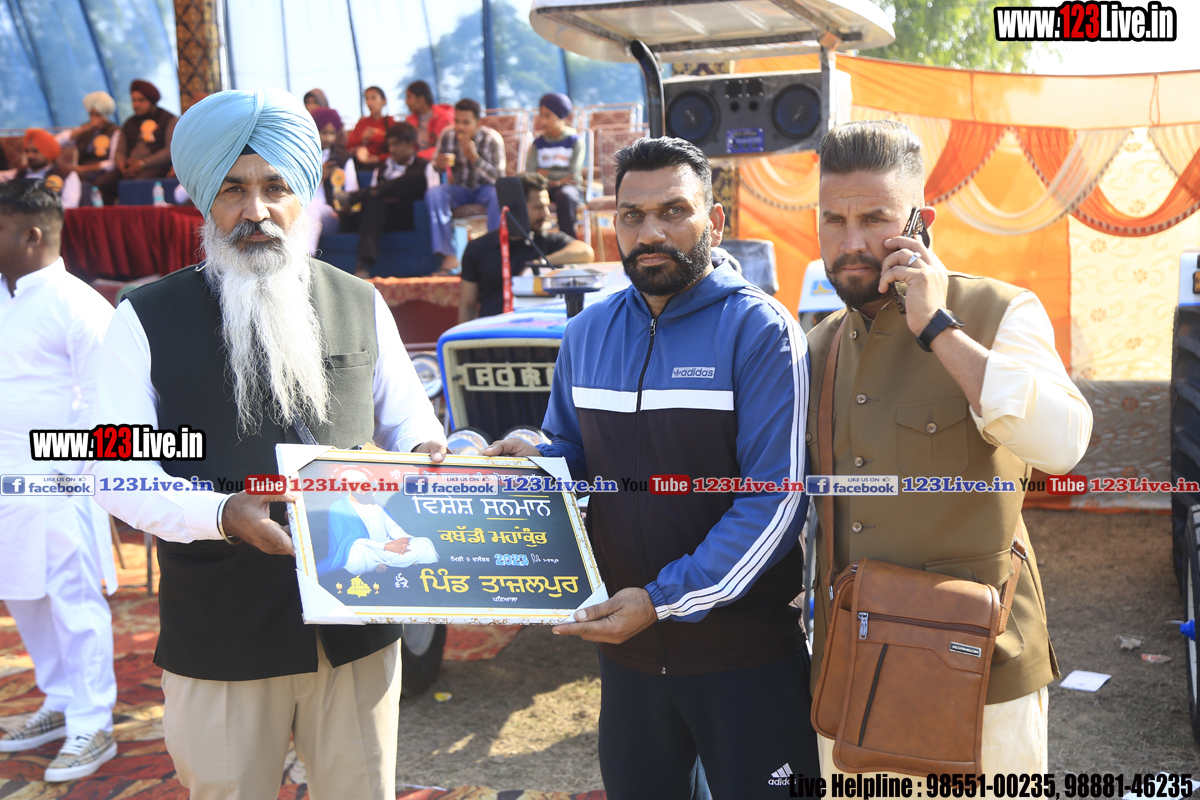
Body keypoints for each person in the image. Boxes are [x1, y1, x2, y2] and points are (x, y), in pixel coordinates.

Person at [87, 88, 448, 800]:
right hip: (223, 627)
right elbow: (113, 470)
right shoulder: (143, 318)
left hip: (357, 621)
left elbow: (412, 426)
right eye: (233, 190)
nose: (255, 211)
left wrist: (429, 457)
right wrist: (222, 514)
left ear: (302, 196)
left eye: (275, 187)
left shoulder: (359, 300)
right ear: (205, 203)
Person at [484, 138, 818, 799]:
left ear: (714, 220)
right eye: (632, 215)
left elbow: (775, 502)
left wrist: (663, 601)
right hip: (629, 660)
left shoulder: (762, 331)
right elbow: (573, 455)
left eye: (673, 211)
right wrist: (532, 455)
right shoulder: (587, 333)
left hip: (745, 658)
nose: (650, 233)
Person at [806, 119, 1093, 774]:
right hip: (855, 674)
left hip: (980, 675)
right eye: (833, 221)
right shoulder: (819, 347)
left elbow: (1063, 445)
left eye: (874, 219)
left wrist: (938, 328)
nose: (851, 244)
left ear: (920, 219)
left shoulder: (999, 311)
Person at [0, 180, 118, 781]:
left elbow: (113, 409)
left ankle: (93, 722)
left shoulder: (80, 306)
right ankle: (60, 697)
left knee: (72, 599)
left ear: (31, 235)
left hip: (57, 481)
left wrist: (79, 480)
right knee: (21, 592)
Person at [458, 172, 593, 322]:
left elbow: (585, 252)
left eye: (547, 207)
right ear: (517, 207)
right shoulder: (478, 248)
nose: (546, 213)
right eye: (539, 207)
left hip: (536, 330)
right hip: (492, 331)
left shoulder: (549, 241)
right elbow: (467, 305)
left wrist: (539, 263)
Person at [340, 122, 438, 278]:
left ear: (411, 144)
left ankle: (360, 194)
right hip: (382, 217)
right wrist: (376, 192)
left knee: (414, 179)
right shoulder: (382, 169)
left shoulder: (425, 167)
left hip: (408, 215)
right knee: (374, 200)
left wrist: (376, 191)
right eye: (390, 145)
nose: (391, 149)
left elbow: (432, 196)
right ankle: (364, 263)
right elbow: (373, 197)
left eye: (396, 144)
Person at [426, 98, 506, 273]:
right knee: (434, 194)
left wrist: (474, 158)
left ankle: (495, 251)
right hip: (459, 189)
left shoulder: (492, 139)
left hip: (485, 189)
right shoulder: (447, 135)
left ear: (478, 122)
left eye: (466, 122)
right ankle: (449, 257)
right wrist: (439, 164)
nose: (460, 127)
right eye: (457, 121)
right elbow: (435, 167)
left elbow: (499, 180)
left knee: (497, 194)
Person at [316, 469, 439, 575]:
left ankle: (384, 564)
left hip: (390, 547)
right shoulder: (339, 507)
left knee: (425, 543)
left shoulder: (376, 505)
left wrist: (403, 539)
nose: (363, 488)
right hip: (369, 549)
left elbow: (391, 527)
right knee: (357, 551)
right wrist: (384, 546)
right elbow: (348, 539)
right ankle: (377, 566)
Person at [92, 80, 177, 205]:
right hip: (129, 167)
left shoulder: (169, 119)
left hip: (155, 166)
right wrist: (122, 165)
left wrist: (142, 164)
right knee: (102, 183)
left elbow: (169, 151)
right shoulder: (129, 123)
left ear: (152, 101)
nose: (136, 105)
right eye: (133, 100)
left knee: (137, 184)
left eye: (141, 100)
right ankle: (109, 216)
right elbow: (120, 151)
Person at [527, 93, 585, 238]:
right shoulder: (537, 144)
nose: (543, 121)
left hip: (567, 187)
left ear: (561, 116)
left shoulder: (575, 141)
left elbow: (573, 174)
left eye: (548, 116)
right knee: (528, 196)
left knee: (566, 196)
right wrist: (557, 180)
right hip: (542, 187)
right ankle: (533, 242)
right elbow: (530, 174)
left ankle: (568, 241)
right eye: (541, 115)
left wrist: (544, 173)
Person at [306, 107, 358, 255]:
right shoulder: (302, 156)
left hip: (330, 214)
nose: (328, 138)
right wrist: (318, 176)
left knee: (312, 208)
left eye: (332, 133)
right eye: (324, 132)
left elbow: (352, 193)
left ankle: (306, 257)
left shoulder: (343, 158)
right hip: (300, 211)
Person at [0, 130, 82, 209]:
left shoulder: (68, 175)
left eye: (35, 151)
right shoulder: (19, 173)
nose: (30, 155)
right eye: (27, 151)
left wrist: (38, 209)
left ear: (48, 152)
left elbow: (70, 206)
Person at [63, 92, 120, 184]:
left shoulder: (115, 131)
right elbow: (64, 140)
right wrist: (87, 128)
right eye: (91, 114)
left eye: (98, 114)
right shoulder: (85, 128)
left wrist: (83, 169)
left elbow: (112, 163)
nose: (94, 118)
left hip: (101, 173)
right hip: (81, 170)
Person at [403, 80, 454, 162]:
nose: (406, 101)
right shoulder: (410, 120)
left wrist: (417, 157)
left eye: (409, 97)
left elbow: (446, 150)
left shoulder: (444, 117)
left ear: (421, 99)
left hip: (439, 163)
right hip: (417, 163)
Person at [347, 86, 392, 170]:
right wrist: (362, 138)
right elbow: (348, 146)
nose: (369, 102)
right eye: (367, 99)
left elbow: (398, 149)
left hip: (385, 166)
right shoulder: (362, 123)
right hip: (362, 167)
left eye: (373, 98)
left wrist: (379, 158)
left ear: (384, 101)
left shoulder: (391, 122)